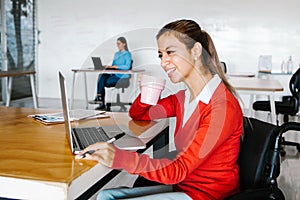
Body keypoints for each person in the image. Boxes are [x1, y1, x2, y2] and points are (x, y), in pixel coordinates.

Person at [78, 19, 243, 199]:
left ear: (195, 51)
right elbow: (139, 114)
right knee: (107, 196)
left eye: (170, 52)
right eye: (160, 55)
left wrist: (119, 158)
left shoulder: (221, 107)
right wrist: (147, 93)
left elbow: (177, 170)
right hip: (184, 186)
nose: (163, 62)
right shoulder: (184, 98)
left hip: (207, 195)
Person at [89, 37, 132, 110]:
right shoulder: (116, 54)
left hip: (122, 78)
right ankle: (100, 99)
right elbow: (113, 66)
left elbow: (127, 67)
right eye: (117, 44)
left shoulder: (127, 54)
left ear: (124, 44)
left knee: (103, 82)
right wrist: (108, 67)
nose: (117, 45)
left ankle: (100, 100)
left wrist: (115, 67)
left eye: (119, 43)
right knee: (102, 75)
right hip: (114, 75)